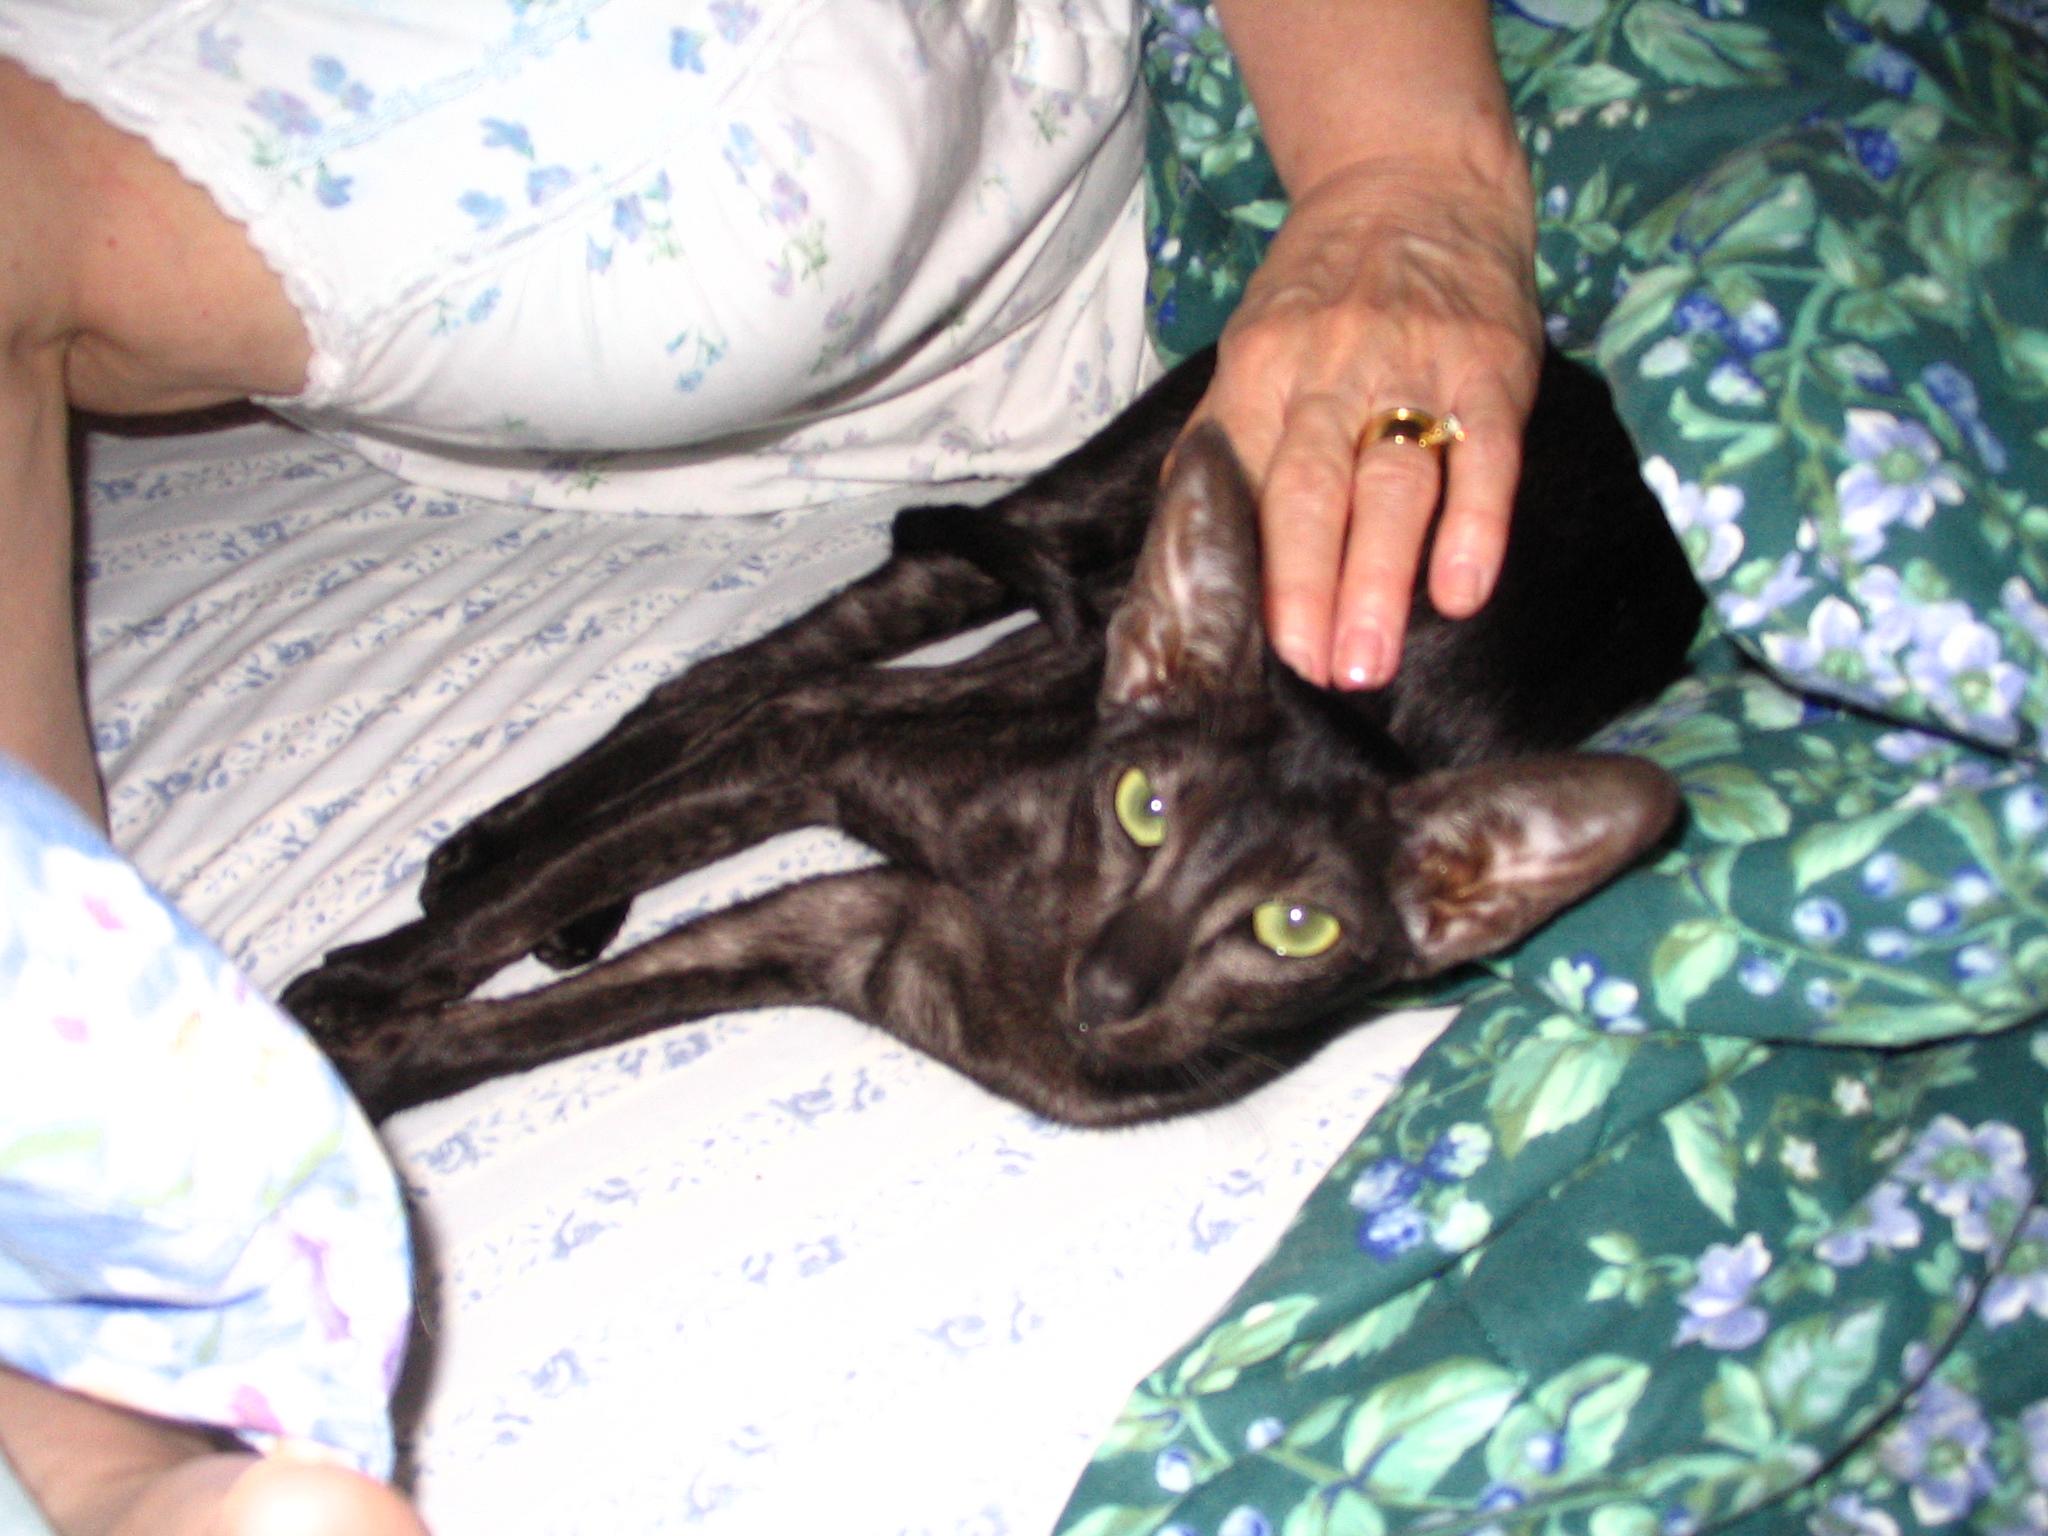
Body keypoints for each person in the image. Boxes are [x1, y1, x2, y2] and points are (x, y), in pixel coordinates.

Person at [0, 0, 1539, 1530]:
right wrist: (443, 954)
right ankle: (101, 1390)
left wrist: (426, 1047)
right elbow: (809, 758)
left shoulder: (1288, 907)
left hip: (1041, 375)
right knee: (901, 627)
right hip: (1171, 652)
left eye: (1288, 930)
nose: (1121, 978)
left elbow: (821, 935)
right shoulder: (1156, 741)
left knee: (936, 685)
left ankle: (102, 1421)